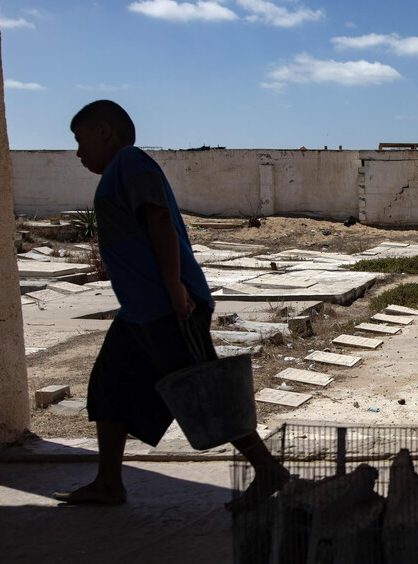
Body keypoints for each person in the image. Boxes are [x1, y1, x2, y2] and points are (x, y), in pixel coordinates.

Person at [53, 100, 288, 509]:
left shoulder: (129, 161)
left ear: (104, 131)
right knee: (108, 389)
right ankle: (108, 484)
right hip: (140, 312)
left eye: (80, 139)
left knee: (204, 391)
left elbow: (159, 220)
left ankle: (267, 468)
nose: (77, 152)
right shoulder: (117, 173)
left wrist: (175, 289)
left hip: (167, 306)